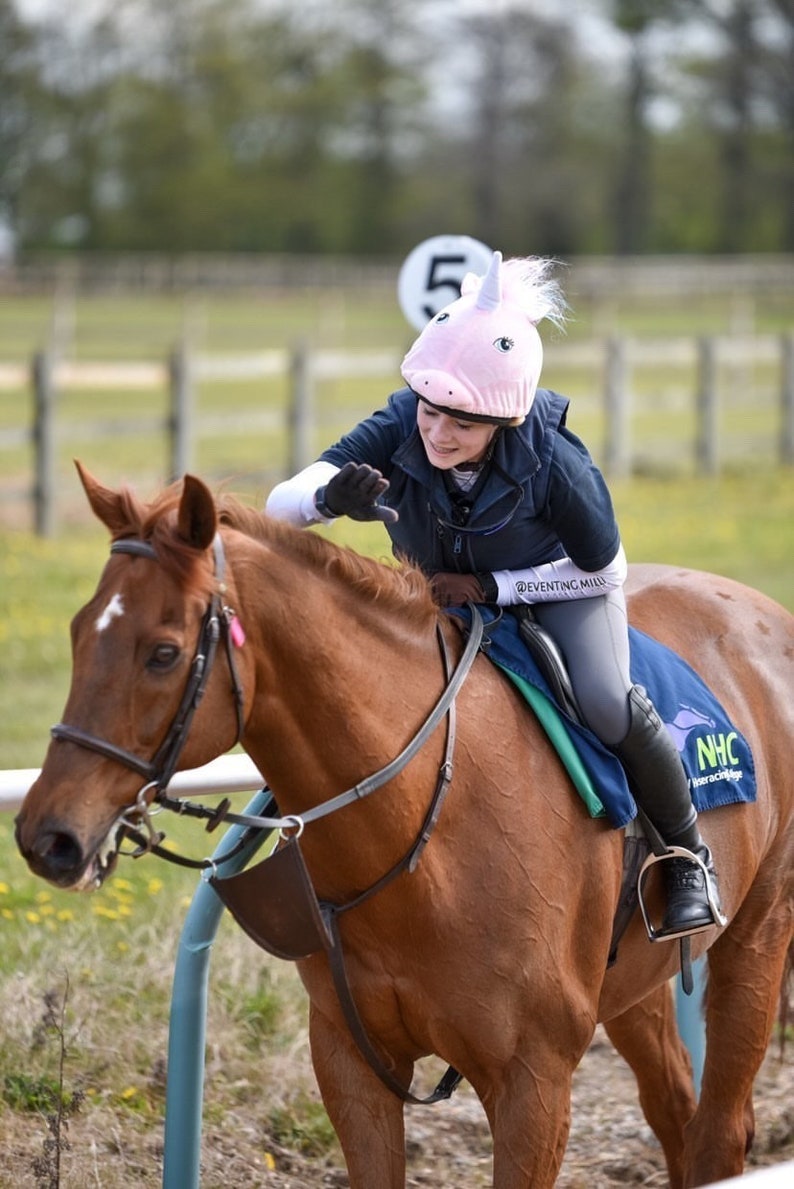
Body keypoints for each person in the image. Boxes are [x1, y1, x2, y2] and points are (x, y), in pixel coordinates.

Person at [266, 250, 723, 940]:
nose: (438, 432)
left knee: (604, 700)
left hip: (562, 588)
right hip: (441, 598)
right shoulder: (402, 418)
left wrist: (492, 585)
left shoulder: (557, 462)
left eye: (463, 424)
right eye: (431, 411)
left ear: (505, 422)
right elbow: (278, 508)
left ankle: (689, 857)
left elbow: (605, 568)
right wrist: (328, 496)